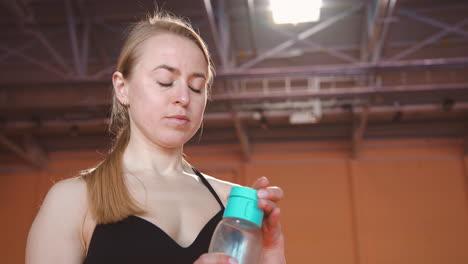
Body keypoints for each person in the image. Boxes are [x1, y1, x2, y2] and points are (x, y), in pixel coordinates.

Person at [25, 11, 285, 264]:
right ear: (122, 88)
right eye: (164, 81)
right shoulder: (73, 200)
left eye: (197, 86)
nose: (183, 98)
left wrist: (271, 253)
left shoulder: (230, 202)